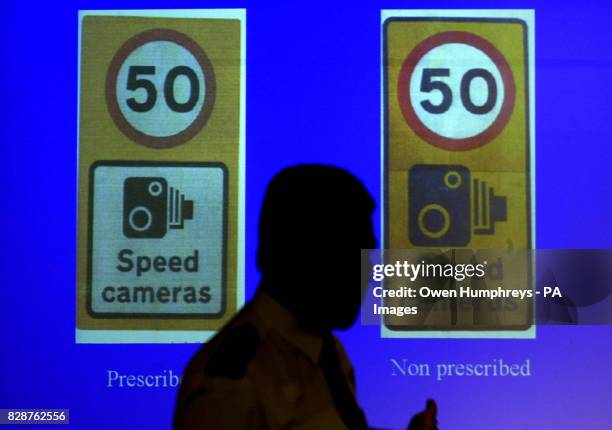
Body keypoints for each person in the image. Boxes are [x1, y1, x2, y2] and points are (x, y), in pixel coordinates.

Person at [173, 164, 438, 430]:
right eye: (352, 257)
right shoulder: (231, 384)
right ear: (305, 253)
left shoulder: (323, 348)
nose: (369, 275)